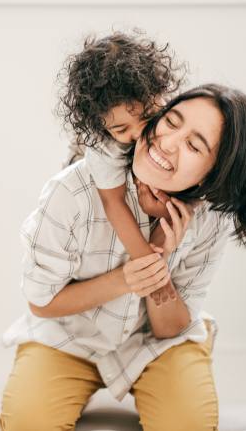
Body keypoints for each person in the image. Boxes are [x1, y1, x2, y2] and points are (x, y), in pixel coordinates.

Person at [0, 84, 246, 431]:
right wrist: (127, 276)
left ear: (213, 174)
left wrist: (160, 250)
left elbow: (169, 328)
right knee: (28, 424)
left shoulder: (210, 219)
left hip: (155, 343)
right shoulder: (73, 190)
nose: (168, 142)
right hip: (67, 335)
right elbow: (41, 303)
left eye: (193, 145)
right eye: (171, 121)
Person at [56, 31, 187, 306]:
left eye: (148, 117)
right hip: (90, 172)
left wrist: (159, 211)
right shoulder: (103, 145)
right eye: (121, 128)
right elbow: (113, 203)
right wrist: (151, 271)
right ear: (102, 127)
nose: (140, 133)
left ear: (160, 94)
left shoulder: (177, 116)